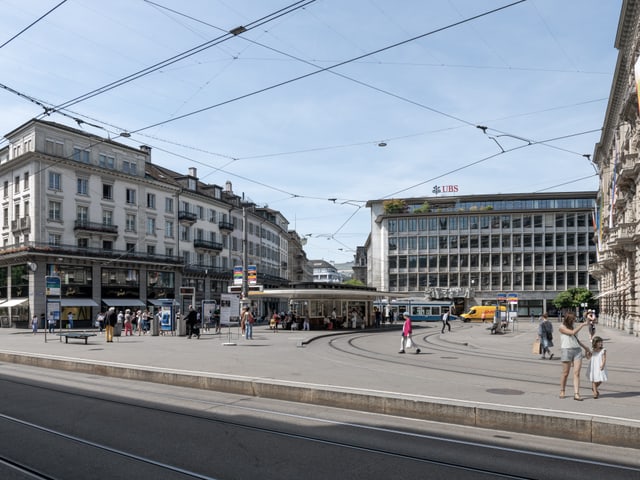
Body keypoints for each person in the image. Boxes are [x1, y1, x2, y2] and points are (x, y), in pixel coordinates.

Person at [558, 312, 591, 400]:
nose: (574, 320)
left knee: (576, 373)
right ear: (568, 319)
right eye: (572, 319)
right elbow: (572, 333)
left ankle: (576, 394)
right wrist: (582, 325)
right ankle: (562, 390)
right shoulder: (561, 327)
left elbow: (576, 340)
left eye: (574, 319)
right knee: (565, 373)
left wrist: (586, 348)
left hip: (577, 351)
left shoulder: (574, 326)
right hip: (566, 350)